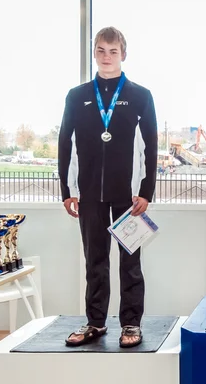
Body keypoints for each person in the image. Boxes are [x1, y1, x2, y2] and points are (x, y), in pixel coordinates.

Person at [58, 26, 158, 348]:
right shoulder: (77, 96)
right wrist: (67, 189)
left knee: (130, 264)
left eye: (113, 51)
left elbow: (152, 145)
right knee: (95, 263)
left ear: (123, 55)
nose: (106, 57)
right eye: (101, 50)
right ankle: (96, 322)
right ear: (94, 54)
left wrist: (146, 192)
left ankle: (131, 323)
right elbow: (64, 143)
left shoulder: (141, 96)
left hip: (128, 197)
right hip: (88, 195)